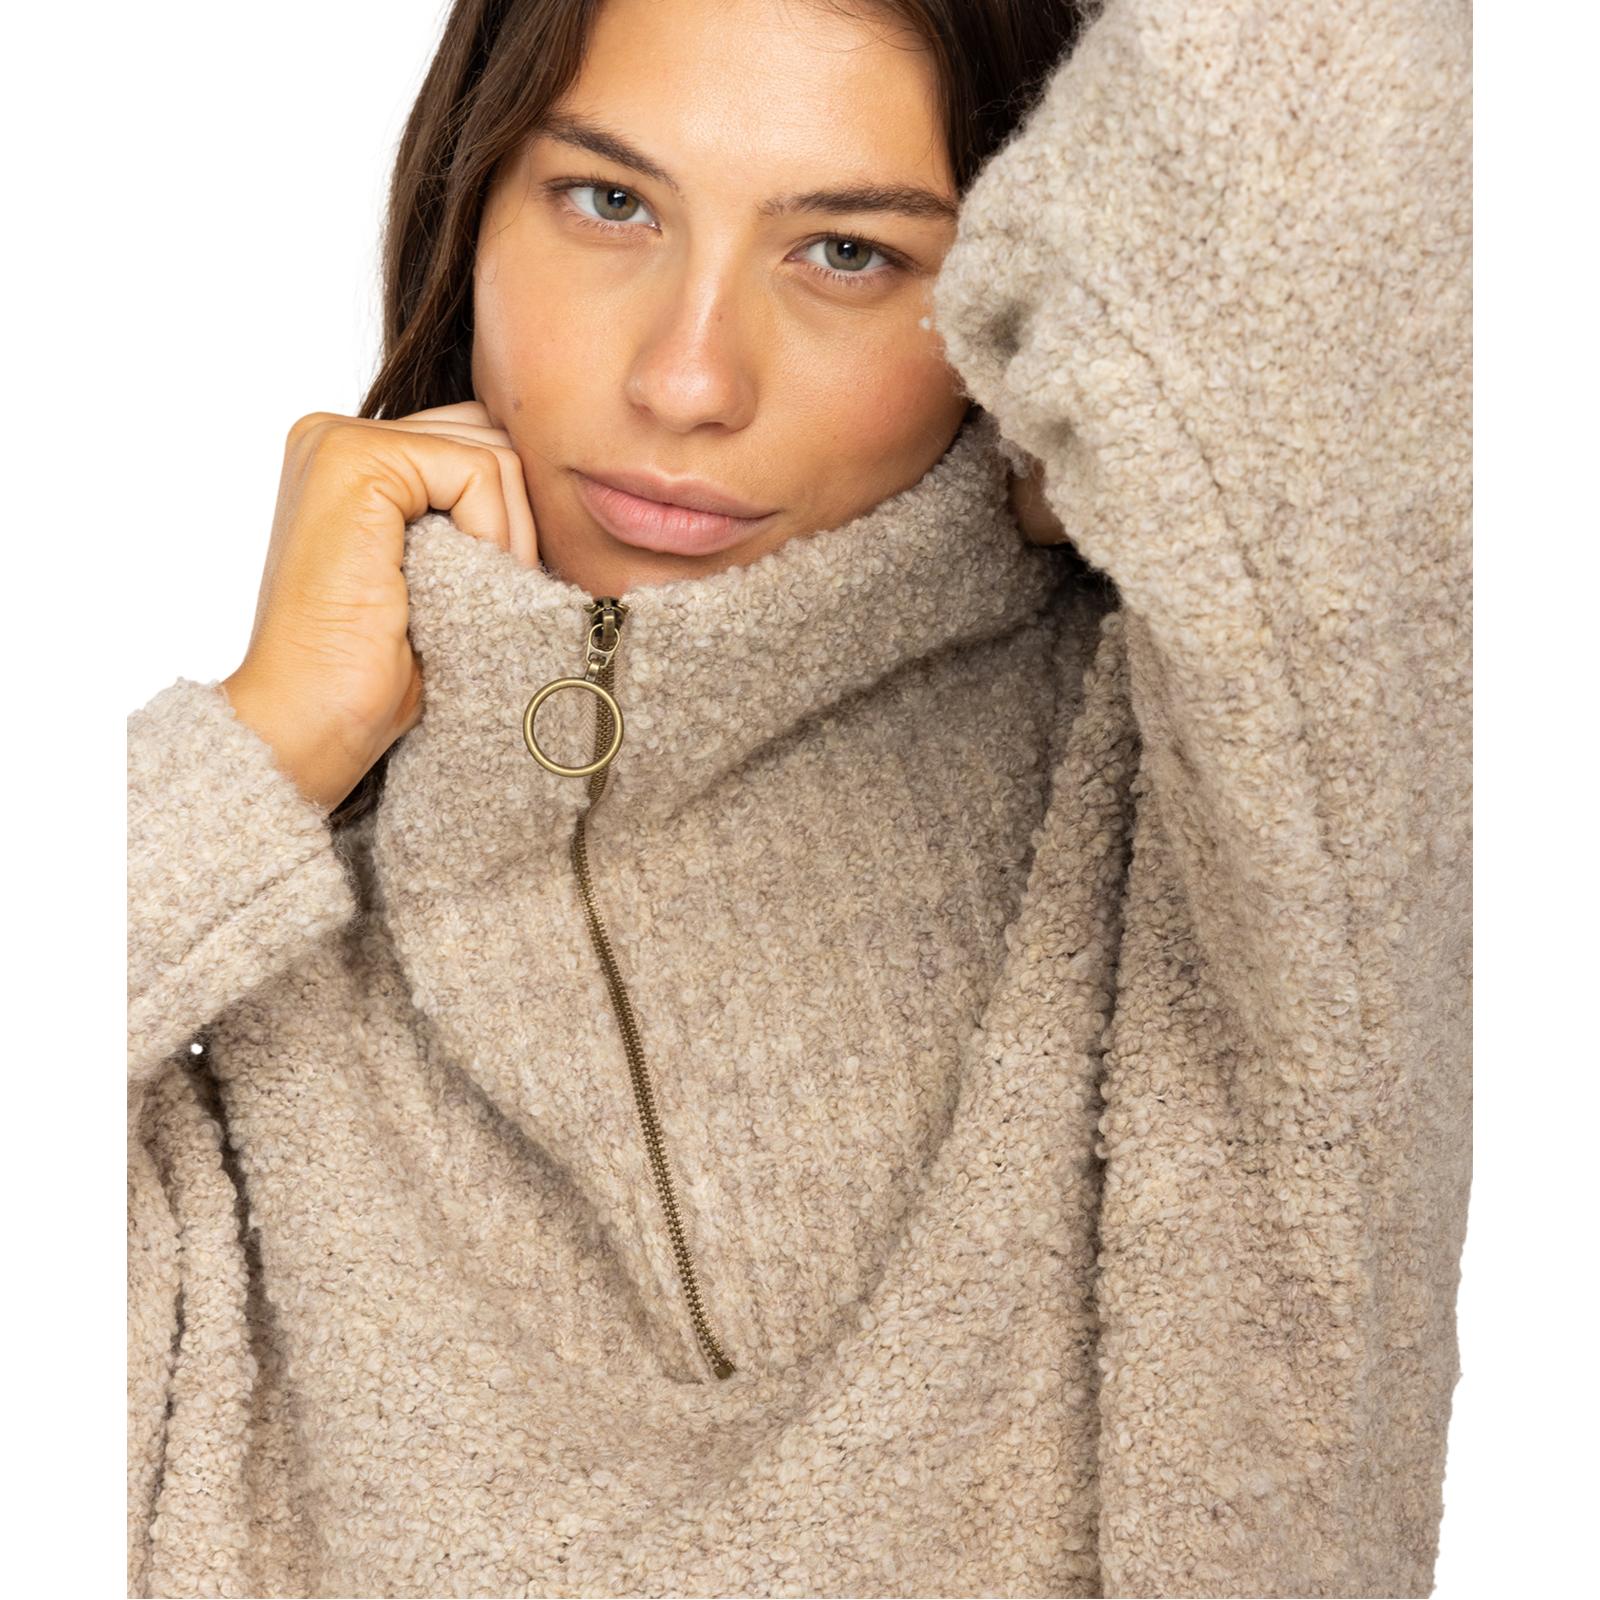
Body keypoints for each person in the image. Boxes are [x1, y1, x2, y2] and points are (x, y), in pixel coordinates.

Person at [127, 0, 1472, 1595]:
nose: (687, 378)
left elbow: (1340, 105)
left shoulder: (1236, 823)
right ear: (466, 205)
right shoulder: (216, 982)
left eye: (849, 253)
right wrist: (261, 747)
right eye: (610, 201)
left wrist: (1123, 391)